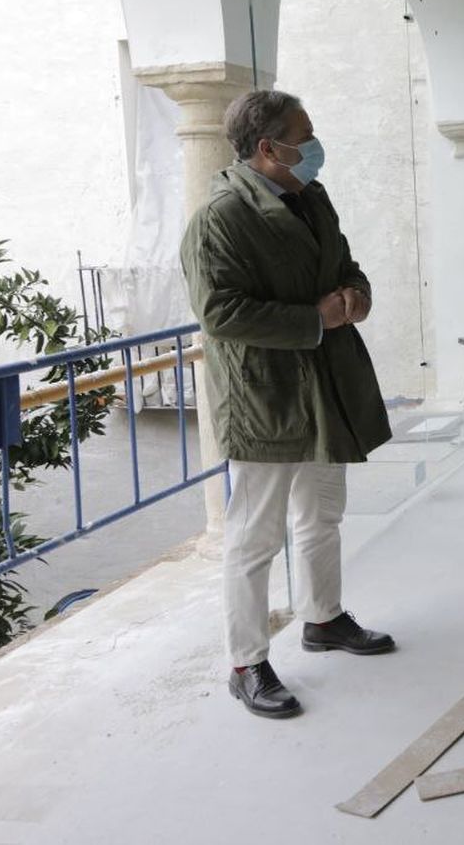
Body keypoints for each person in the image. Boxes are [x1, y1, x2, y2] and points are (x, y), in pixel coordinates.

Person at [180, 89, 396, 719]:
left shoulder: (311, 198)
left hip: (323, 385)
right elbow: (219, 314)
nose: (315, 146)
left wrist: (355, 295)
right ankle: (246, 662)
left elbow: (345, 266)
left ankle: (323, 619)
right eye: (306, 135)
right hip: (265, 396)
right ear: (269, 147)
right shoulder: (219, 218)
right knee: (255, 535)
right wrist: (315, 318)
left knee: (322, 513)